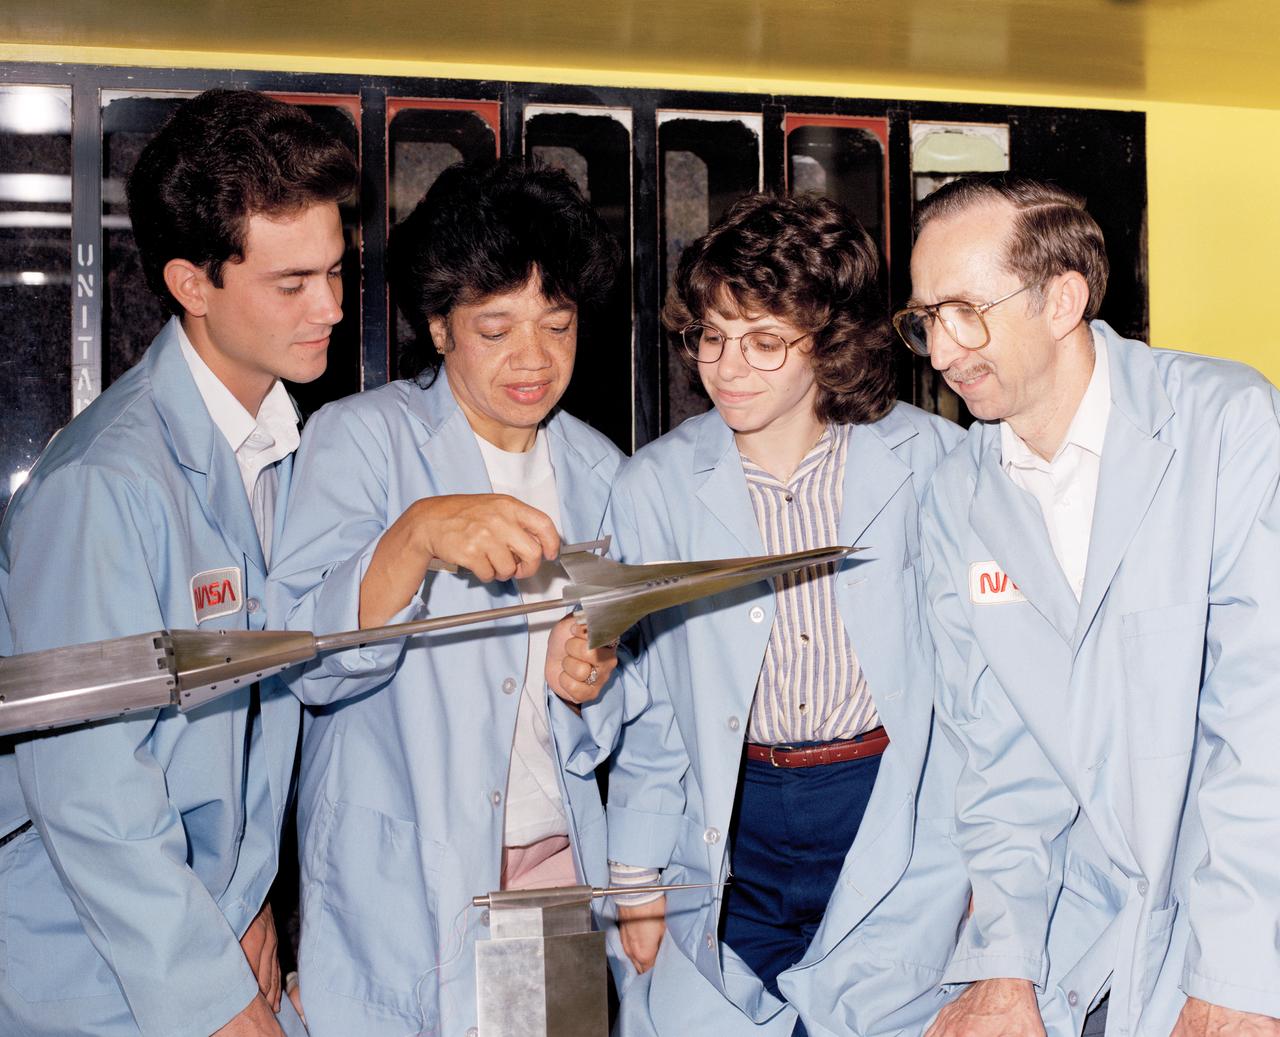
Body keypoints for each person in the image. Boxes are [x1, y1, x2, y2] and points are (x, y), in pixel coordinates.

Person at [0, 89, 356, 1036]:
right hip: (98, 966)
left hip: (204, 930)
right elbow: (88, 788)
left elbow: (241, 723)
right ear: (192, 285)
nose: (330, 305)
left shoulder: (271, 441)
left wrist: (249, 900)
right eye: (291, 284)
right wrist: (213, 997)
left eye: (334, 269)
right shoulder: (102, 486)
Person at [907, 176, 1280, 1037]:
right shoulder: (957, 493)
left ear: (1062, 298)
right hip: (1085, 920)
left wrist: (1235, 975)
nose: (940, 350)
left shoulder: (1223, 423)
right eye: (926, 319)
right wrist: (1004, 964)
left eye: (966, 310)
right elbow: (995, 758)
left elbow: (1258, 725)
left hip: (1243, 901)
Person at [265, 159, 626, 1036]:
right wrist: (414, 536)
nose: (532, 358)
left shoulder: (602, 470)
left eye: (557, 323)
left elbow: (627, 689)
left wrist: (590, 681)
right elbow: (300, 665)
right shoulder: (360, 440)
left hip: (554, 864)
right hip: (402, 870)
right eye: (495, 327)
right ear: (438, 325)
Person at [602, 193, 970, 1037]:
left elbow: (975, 688)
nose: (728, 367)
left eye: (766, 341)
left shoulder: (934, 462)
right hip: (739, 820)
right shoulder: (654, 485)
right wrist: (636, 874)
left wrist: (990, 867)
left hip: (884, 802)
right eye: (711, 336)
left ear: (831, 342)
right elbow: (658, 704)